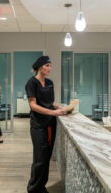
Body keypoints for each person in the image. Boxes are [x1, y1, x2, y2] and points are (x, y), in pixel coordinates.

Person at [25, 56, 67, 193]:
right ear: (40, 67)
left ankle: (41, 187)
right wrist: (52, 112)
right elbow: (33, 105)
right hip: (38, 126)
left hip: (50, 125)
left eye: (50, 65)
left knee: (46, 157)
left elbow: (50, 103)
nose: (49, 68)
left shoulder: (49, 83)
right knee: (40, 158)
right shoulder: (32, 83)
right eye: (47, 65)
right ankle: (33, 189)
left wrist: (61, 108)